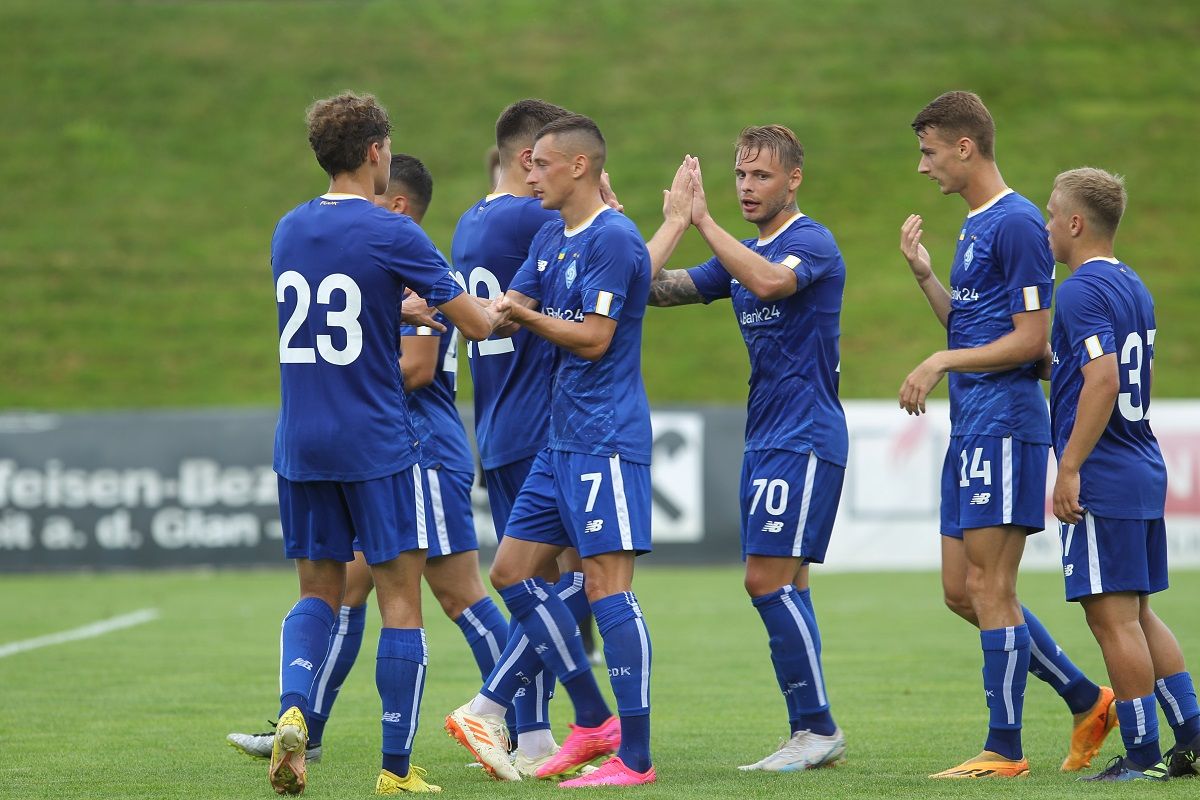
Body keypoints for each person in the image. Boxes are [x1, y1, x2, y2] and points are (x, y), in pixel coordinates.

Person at [229, 154, 512, 786]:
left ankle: (296, 712)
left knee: (322, 592)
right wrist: (509, 309)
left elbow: (337, 315)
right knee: (405, 600)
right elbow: (471, 324)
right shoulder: (394, 234)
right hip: (380, 441)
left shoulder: (290, 228)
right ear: (374, 154)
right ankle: (397, 769)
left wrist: (389, 314)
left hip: (301, 438)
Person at [898, 90, 1116, 779]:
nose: (922, 166)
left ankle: (1004, 748)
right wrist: (929, 278)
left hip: (1004, 427)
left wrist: (939, 362)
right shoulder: (973, 226)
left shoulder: (1020, 224)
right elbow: (972, 329)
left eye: (929, 151)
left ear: (966, 147)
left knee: (993, 585)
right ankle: (1086, 697)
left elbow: (1030, 342)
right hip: (972, 426)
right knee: (961, 591)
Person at [445, 113, 657, 788]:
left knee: (606, 588)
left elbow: (594, 337)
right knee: (510, 571)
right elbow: (511, 302)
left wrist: (527, 315)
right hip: (558, 441)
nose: (526, 174)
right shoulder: (549, 235)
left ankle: (636, 756)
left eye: (538, 164)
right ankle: (591, 717)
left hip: (605, 438)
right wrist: (433, 307)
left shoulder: (614, 240)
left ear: (578, 167)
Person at [644, 126, 849, 772]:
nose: (747, 187)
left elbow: (767, 283)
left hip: (805, 436)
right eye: (739, 175)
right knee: (791, 583)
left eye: (761, 176)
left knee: (764, 580)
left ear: (793, 180)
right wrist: (623, 231)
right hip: (766, 438)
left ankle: (816, 727)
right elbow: (653, 289)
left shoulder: (807, 243)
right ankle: (810, 730)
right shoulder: (741, 255)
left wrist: (702, 220)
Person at [448, 99, 593, 780]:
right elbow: (603, 235)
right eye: (549, 155)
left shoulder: (472, 220)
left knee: (530, 585)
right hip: (542, 420)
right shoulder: (532, 217)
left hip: (499, 421)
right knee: (591, 577)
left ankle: (533, 736)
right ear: (529, 157)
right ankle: (492, 706)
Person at [1045, 167, 1200, 781]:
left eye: (1054, 215)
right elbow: (1123, 373)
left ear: (1077, 223)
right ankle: (1190, 729)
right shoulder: (1132, 285)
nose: (1048, 225)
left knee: (1110, 617)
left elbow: (1103, 378)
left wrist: (1070, 466)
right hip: (1141, 460)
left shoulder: (1079, 291)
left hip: (1104, 471)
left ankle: (1139, 756)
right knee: (1137, 612)